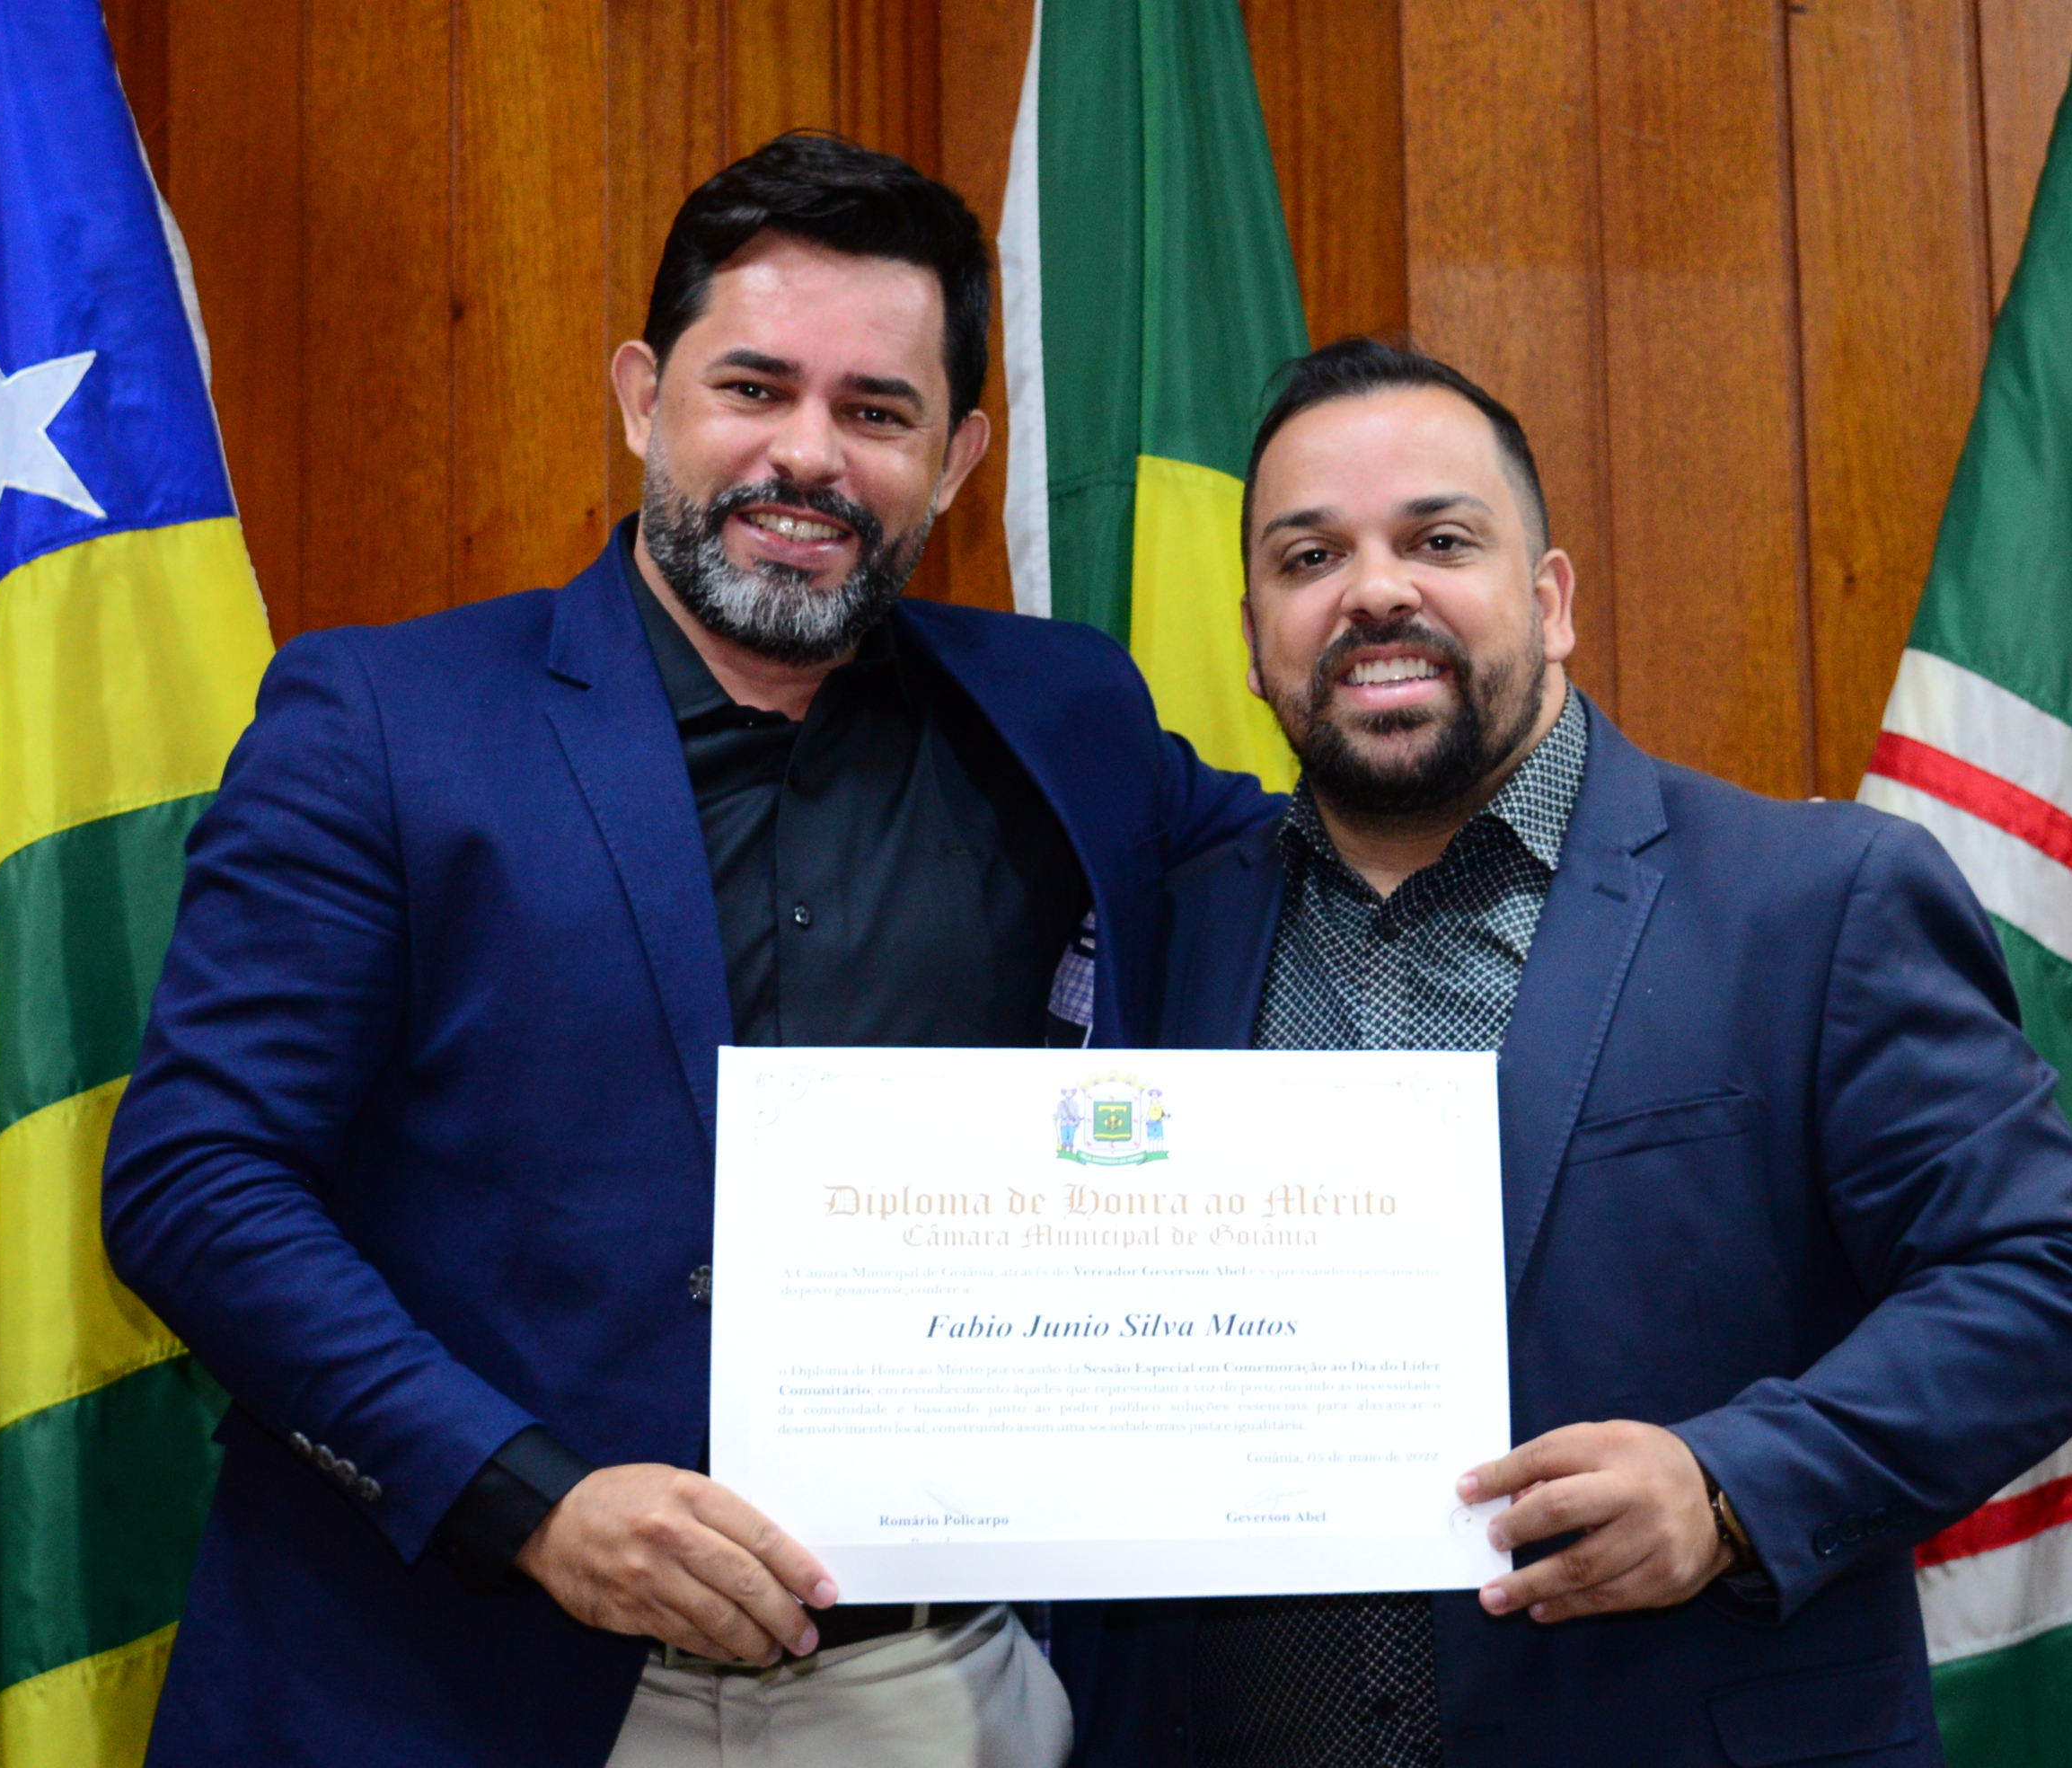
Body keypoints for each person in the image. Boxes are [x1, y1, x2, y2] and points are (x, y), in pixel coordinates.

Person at [101, 133, 1272, 1768]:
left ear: (959, 460)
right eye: (755, 388)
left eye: (877, 413)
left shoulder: (1066, 716)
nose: (808, 454)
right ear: (645, 398)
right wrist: (530, 1501)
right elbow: (196, 1181)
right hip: (457, 1673)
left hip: (925, 1688)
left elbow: (1331, 880)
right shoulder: (381, 722)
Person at [1048, 339, 2072, 1766]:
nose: (1375, 590)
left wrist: (1728, 1485)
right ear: (1257, 636)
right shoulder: (1171, 931)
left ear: (1551, 600)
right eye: (1309, 557)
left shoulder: (1813, 901)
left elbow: (2058, 1285)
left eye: (1440, 540)